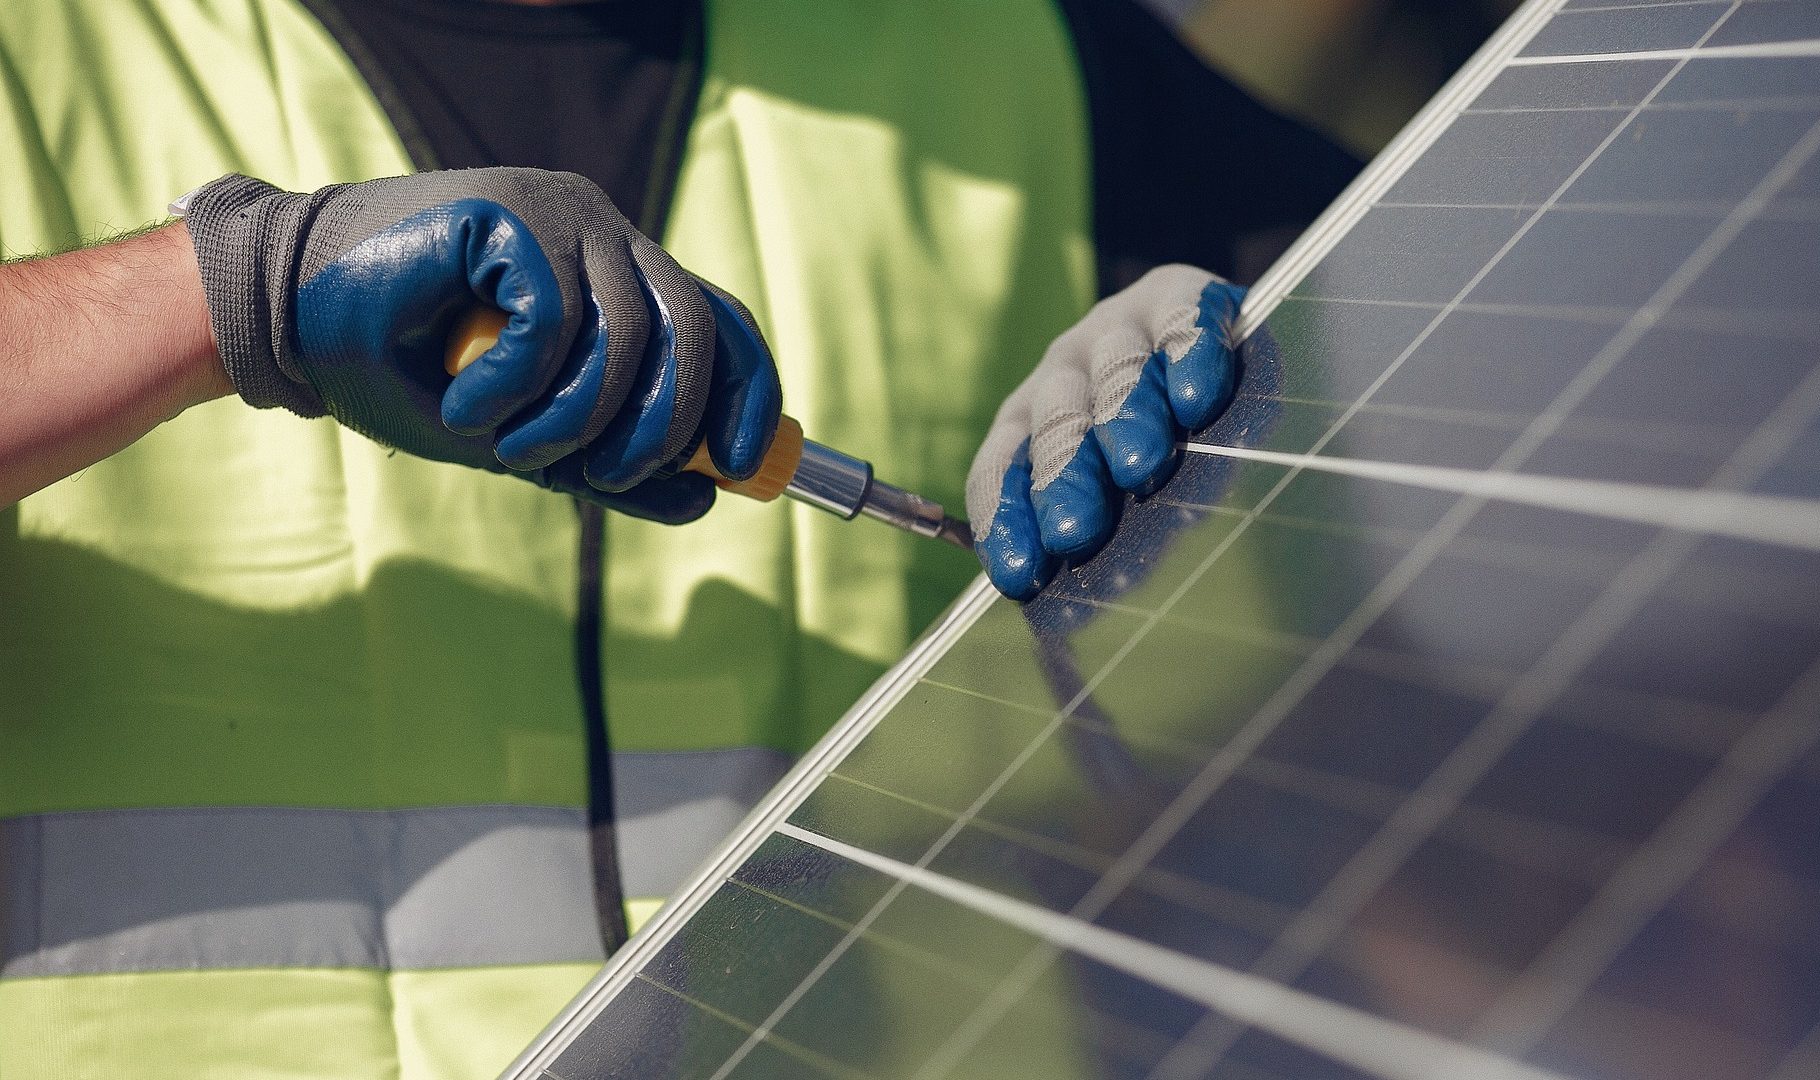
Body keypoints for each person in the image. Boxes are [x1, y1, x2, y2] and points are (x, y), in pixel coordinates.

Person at [0, 0, 1357, 1075]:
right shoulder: (45, 48)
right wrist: (219, 293)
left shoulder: (1002, 39)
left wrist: (1261, 359)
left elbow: (1469, 308)